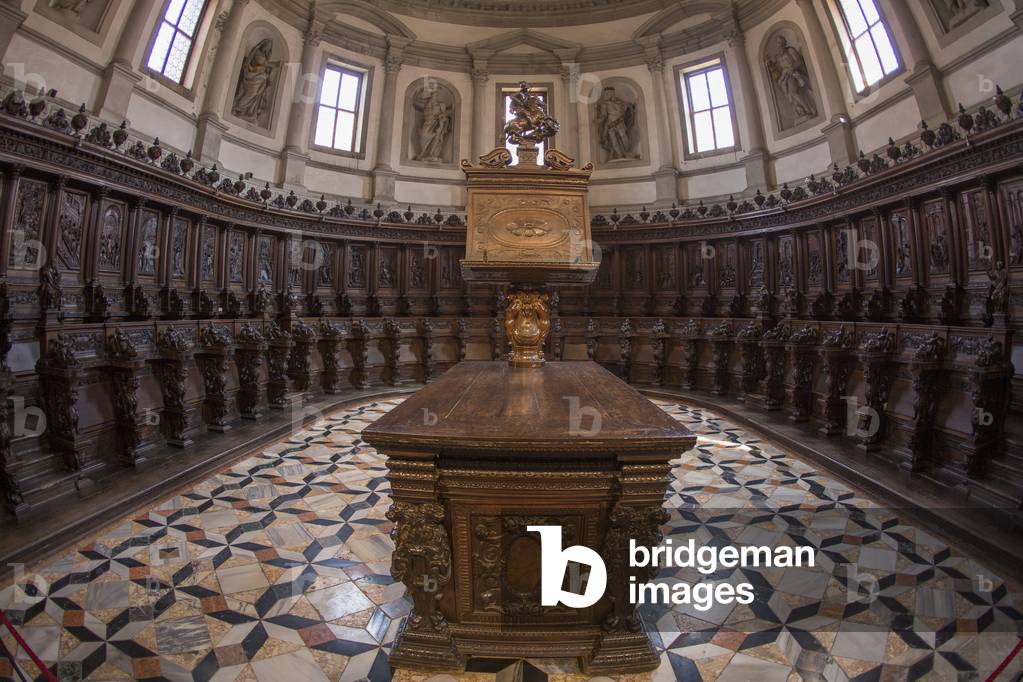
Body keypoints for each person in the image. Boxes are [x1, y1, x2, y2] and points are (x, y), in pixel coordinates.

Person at [766, 35, 818, 123]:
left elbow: (799, 62)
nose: (779, 45)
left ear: (784, 43)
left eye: (780, 42)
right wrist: (770, 64)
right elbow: (777, 69)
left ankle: (808, 110)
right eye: (777, 43)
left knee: (793, 91)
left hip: (796, 74)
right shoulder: (777, 57)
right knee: (790, 95)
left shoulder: (790, 50)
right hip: (785, 77)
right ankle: (801, 112)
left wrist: (791, 69)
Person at [232, 39, 279, 125]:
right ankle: (238, 107)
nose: (267, 47)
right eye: (267, 45)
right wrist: (275, 64)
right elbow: (261, 63)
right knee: (251, 94)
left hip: (260, 79)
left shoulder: (265, 56)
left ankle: (249, 112)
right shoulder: (257, 52)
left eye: (269, 46)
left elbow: (265, 65)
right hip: (252, 77)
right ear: (263, 45)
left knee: (257, 95)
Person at [595, 87, 636, 161]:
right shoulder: (604, 104)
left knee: (624, 137)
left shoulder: (619, 102)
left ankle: (627, 152)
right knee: (614, 141)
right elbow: (604, 115)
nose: (606, 95)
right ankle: (620, 155)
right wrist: (598, 120)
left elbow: (627, 108)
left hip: (620, 122)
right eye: (605, 94)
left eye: (607, 93)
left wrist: (629, 106)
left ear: (612, 93)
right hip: (610, 124)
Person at [413, 87, 452, 163]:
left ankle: (432, 154)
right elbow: (416, 101)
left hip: (436, 122)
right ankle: (423, 153)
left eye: (435, 93)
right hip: (427, 122)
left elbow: (446, 113)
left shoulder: (441, 104)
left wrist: (441, 120)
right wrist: (420, 91)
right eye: (432, 93)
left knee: (436, 137)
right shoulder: (425, 103)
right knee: (423, 135)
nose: (434, 95)